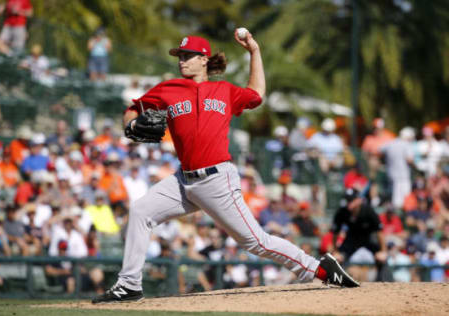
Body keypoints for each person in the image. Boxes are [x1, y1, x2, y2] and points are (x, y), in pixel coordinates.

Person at [92, 32, 359, 304]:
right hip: (183, 181)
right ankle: (129, 285)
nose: (181, 60)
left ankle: (321, 269)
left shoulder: (225, 90)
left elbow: (257, 93)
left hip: (216, 179)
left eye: (187, 56)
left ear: (204, 59)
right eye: (179, 56)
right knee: (140, 211)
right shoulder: (168, 89)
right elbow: (133, 108)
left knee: (256, 242)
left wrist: (254, 51)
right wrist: (131, 125)